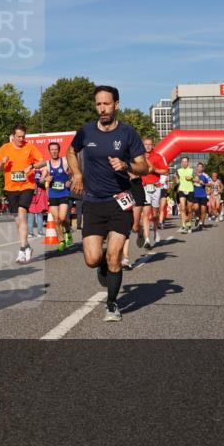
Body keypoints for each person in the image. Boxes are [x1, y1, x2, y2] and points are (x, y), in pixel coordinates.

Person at [67, 85, 149, 322]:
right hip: (92, 202)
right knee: (92, 259)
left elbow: (144, 166)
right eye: (98, 104)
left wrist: (127, 166)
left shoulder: (127, 133)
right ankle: (104, 263)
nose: (102, 109)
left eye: (106, 104)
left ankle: (112, 304)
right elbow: (71, 152)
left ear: (116, 105)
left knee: (115, 257)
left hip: (119, 201)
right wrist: (78, 174)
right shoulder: (86, 132)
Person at [0, 125, 46, 264]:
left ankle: (22, 249)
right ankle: (27, 246)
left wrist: (32, 166)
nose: (21, 139)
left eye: (23, 136)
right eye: (19, 136)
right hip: (11, 188)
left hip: (26, 186)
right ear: (13, 136)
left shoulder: (29, 147)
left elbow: (42, 161)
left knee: (22, 215)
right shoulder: (5, 148)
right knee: (18, 220)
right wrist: (2, 162)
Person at [44, 141, 74, 250]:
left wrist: (70, 181)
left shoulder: (65, 161)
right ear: (49, 151)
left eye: (56, 149)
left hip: (64, 193)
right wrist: (46, 179)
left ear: (59, 150)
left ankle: (68, 231)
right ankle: (61, 241)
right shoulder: (47, 164)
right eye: (52, 149)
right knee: (56, 219)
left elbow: (73, 173)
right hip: (53, 194)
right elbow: (42, 179)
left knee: (62, 218)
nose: (54, 151)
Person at [175, 157, 194, 234]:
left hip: (190, 190)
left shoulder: (192, 170)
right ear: (181, 163)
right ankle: (183, 226)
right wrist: (177, 181)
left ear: (188, 162)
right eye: (183, 162)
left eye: (185, 162)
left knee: (189, 209)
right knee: (182, 208)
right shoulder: (178, 170)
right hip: (182, 190)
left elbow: (197, 179)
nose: (184, 163)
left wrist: (191, 178)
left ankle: (189, 225)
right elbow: (177, 179)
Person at [191, 162, 210, 231]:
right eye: (198, 167)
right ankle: (197, 218)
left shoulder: (205, 175)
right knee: (196, 208)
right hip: (195, 194)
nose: (199, 168)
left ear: (202, 168)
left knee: (203, 210)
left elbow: (210, 184)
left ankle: (201, 223)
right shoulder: (193, 174)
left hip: (203, 195)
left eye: (200, 167)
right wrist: (193, 180)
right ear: (197, 168)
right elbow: (188, 181)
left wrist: (203, 183)